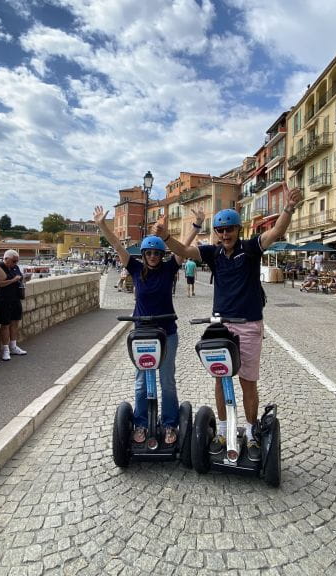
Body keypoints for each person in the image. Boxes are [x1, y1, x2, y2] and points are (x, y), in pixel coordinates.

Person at [156, 187, 303, 462]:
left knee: (248, 381)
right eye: (221, 231)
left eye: (230, 230)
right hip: (221, 325)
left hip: (248, 324)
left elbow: (274, 234)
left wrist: (288, 209)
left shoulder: (250, 249)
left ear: (238, 229)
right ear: (216, 233)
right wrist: (165, 236)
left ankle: (249, 431)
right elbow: (184, 251)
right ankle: (223, 430)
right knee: (221, 378)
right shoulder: (213, 253)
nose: (225, 235)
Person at [94, 205, 204, 445]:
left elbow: (183, 246)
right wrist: (103, 225)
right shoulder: (134, 269)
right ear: (143, 255)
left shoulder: (169, 268)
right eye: (149, 253)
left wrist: (197, 226)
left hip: (167, 333)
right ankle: (141, 423)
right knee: (142, 381)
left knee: (167, 381)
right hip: (142, 334)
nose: (153, 256)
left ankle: (169, 425)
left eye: (157, 253)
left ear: (161, 255)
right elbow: (117, 246)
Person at [0, 249, 28, 362]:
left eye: (17, 261)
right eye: (14, 261)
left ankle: (13, 346)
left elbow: (20, 277)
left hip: (15, 298)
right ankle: (5, 349)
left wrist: (23, 278)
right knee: (5, 324)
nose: (15, 263)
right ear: (6, 259)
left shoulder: (15, 267)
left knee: (14, 323)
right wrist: (13, 280)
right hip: (3, 300)